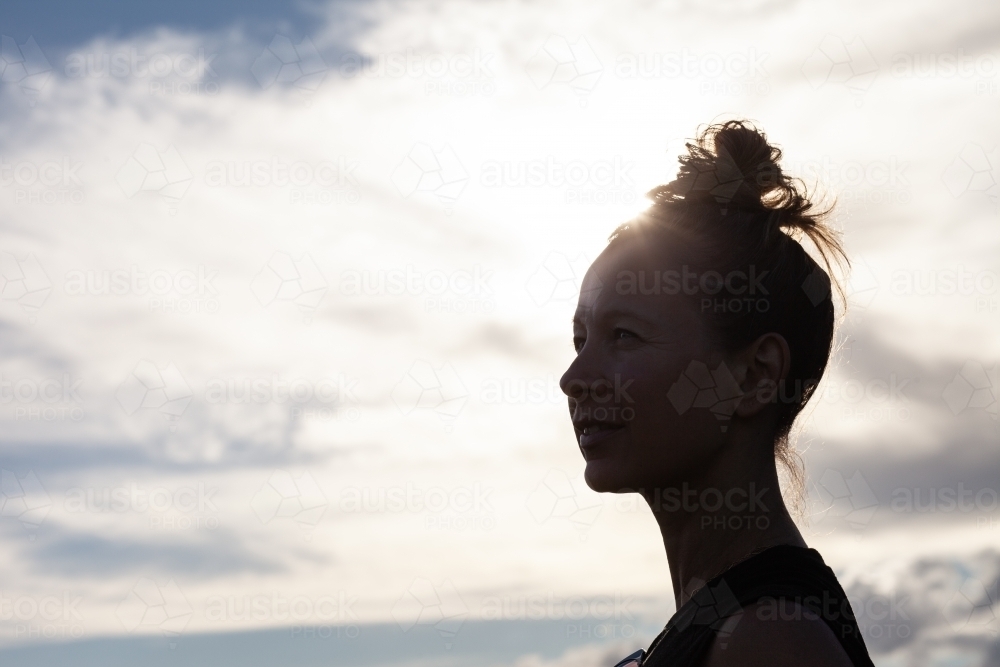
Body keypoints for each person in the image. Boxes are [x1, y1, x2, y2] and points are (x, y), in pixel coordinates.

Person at [559, 120, 875, 667]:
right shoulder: (733, 624)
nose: (574, 378)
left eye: (624, 336)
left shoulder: (769, 642)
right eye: (581, 339)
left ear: (754, 375)